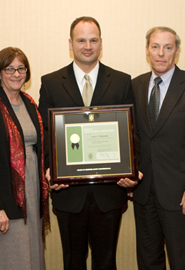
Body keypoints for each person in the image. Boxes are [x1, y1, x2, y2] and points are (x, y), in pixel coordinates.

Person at [38, 16, 134, 270]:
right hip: (68, 193)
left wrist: (134, 169)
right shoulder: (50, 82)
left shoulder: (123, 81)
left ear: (101, 43)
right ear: (71, 43)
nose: (87, 46)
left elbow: (131, 132)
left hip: (109, 193)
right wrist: (50, 170)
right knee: (72, 261)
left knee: (106, 262)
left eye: (93, 40)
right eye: (81, 40)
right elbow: (44, 133)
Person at [131, 26, 185, 270]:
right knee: (148, 260)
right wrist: (130, 175)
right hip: (144, 193)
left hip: (182, 196)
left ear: (176, 52)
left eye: (168, 48)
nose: (161, 53)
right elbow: (133, 137)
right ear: (147, 50)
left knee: (183, 261)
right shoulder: (135, 86)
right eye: (155, 47)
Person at [0, 47, 50, 270]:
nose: (16, 74)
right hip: (1, 198)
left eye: (21, 68)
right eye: (10, 68)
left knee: (28, 256)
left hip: (31, 196)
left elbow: (40, 148)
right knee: (5, 259)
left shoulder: (31, 104)